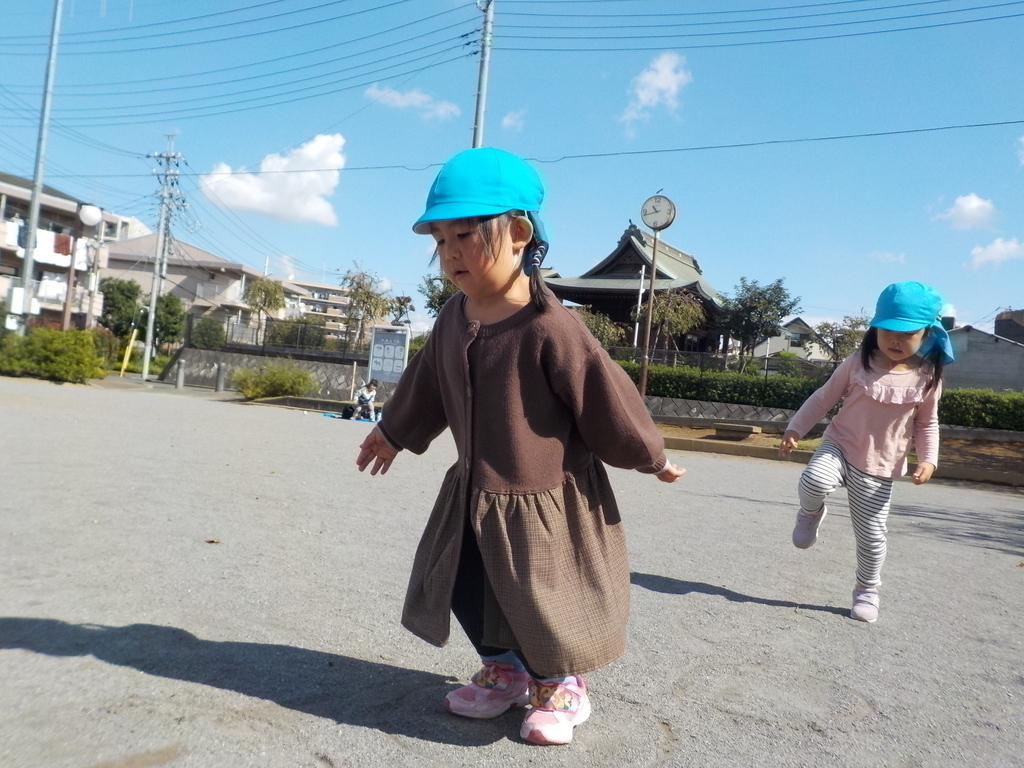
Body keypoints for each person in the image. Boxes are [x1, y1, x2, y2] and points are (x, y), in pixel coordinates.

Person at [355, 147, 684, 746]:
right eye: (440, 239)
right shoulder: (454, 317)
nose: (450, 252)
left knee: (543, 595)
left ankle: (560, 682)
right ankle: (504, 669)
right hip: (477, 490)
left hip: (544, 497)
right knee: (473, 583)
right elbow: (427, 382)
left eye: (465, 235)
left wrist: (650, 455)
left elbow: (602, 393)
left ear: (518, 234)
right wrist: (394, 430)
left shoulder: (549, 325)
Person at [779, 281, 954, 623]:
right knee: (813, 480)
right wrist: (795, 428)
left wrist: (929, 458)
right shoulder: (857, 362)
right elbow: (823, 397)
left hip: (880, 464)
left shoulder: (928, 377)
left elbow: (927, 425)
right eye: (886, 330)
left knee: (872, 534)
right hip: (840, 444)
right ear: (874, 329)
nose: (894, 340)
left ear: (928, 334)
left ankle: (867, 589)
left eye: (906, 333)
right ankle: (811, 512)